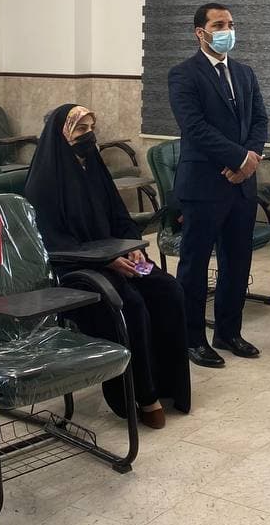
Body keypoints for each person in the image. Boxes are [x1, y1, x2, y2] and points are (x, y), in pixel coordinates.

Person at [24, 104, 190, 428]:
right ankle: (141, 396)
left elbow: (120, 218)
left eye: (91, 128)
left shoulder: (95, 169)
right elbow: (56, 244)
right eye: (80, 129)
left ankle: (170, 387)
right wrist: (106, 259)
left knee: (168, 289)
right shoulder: (43, 182)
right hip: (77, 270)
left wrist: (134, 248)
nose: (89, 135)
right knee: (130, 304)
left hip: (118, 258)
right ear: (62, 134)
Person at [167, 3, 269, 367]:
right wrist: (239, 159)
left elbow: (259, 120)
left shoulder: (244, 73)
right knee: (195, 266)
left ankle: (228, 332)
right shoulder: (183, 74)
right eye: (219, 24)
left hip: (242, 187)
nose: (228, 30)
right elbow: (194, 127)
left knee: (237, 263)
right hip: (203, 185)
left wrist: (250, 160)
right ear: (201, 32)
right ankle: (192, 339)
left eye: (231, 23)